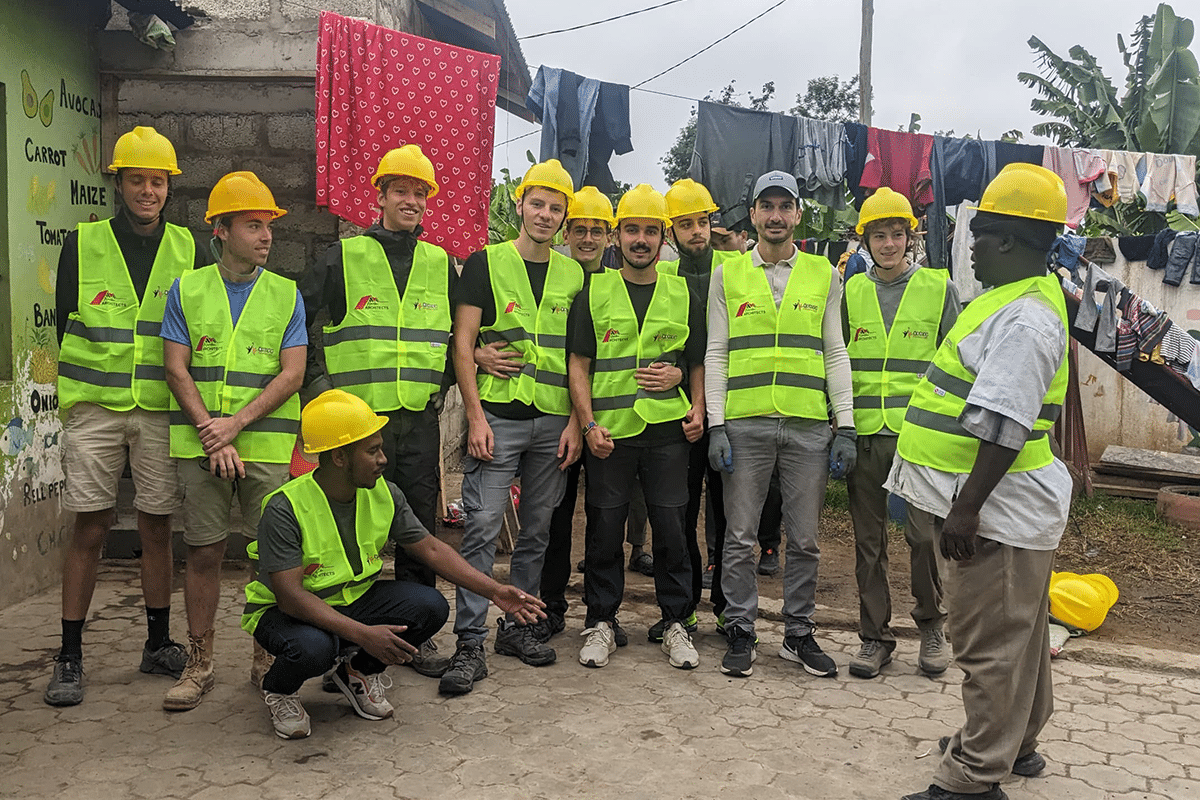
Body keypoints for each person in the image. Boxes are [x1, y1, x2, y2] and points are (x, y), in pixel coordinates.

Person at [893, 163, 1071, 800]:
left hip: (997, 511)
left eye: (982, 233)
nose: (971, 244)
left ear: (1014, 242)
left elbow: (1004, 425)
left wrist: (966, 512)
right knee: (1017, 636)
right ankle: (1013, 742)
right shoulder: (1013, 301)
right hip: (1006, 507)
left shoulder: (1026, 321)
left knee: (989, 643)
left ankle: (973, 778)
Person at [242, 390, 546, 739]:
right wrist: (363, 635)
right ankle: (279, 690)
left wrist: (494, 591)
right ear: (340, 457)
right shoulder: (285, 508)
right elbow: (290, 598)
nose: (383, 459)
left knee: (430, 607)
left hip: (349, 601)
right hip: (288, 614)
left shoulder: (382, 491)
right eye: (372, 451)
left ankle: (355, 673)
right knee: (315, 650)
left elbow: (430, 549)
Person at [46, 126, 208, 707]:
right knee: (90, 526)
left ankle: (158, 643)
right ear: (118, 182)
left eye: (157, 181)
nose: (147, 190)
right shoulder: (82, 243)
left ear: (169, 188)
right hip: (95, 408)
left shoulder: (190, 248)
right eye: (136, 179)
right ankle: (69, 656)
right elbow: (66, 319)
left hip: (163, 412)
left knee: (157, 525)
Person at [301, 145, 455, 679]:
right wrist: (319, 391)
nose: (410, 200)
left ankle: (417, 637)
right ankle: (339, 627)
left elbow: (457, 339)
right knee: (344, 527)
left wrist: (447, 381)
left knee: (417, 527)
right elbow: (299, 327)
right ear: (381, 195)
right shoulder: (341, 257)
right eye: (401, 191)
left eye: (419, 192)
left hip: (416, 420)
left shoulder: (440, 263)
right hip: (353, 427)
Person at [160, 172, 305, 711]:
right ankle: (199, 663)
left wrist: (234, 425)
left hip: (262, 447)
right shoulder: (187, 289)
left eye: (268, 225)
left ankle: (266, 656)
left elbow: (292, 374)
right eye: (253, 225)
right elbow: (176, 369)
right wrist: (211, 432)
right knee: (203, 552)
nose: (266, 236)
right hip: (202, 447)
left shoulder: (286, 294)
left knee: (268, 556)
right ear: (219, 230)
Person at [705, 171, 856, 679]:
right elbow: (717, 351)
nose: (775, 216)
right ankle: (741, 628)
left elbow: (835, 351)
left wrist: (847, 425)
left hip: (808, 426)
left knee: (806, 538)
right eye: (765, 206)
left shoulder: (825, 275)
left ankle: (798, 632)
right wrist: (716, 424)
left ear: (797, 214)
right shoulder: (726, 275)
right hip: (744, 425)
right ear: (753, 214)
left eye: (784, 207)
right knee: (741, 536)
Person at [443, 159, 583, 694]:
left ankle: (518, 628)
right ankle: (469, 641)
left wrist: (574, 420)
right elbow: (463, 343)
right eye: (538, 203)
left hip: (552, 422)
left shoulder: (575, 274)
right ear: (520, 205)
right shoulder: (486, 262)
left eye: (555, 207)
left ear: (564, 217)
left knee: (538, 533)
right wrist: (474, 415)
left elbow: (577, 357)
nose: (545, 214)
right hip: (497, 418)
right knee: (480, 529)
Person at [567, 184, 705, 669]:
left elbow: (697, 360)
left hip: (668, 433)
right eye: (631, 230)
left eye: (650, 230)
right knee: (604, 529)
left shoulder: (681, 290)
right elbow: (579, 364)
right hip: (611, 435)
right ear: (617, 237)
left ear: (662, 237)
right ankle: (601, 621)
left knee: (671, 530)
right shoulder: (595, 290)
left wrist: (696, 407)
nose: (640, 239)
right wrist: (587, 426)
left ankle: (675, 622)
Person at [841, 187, 960, 679]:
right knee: (868, 542)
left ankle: (933, 627)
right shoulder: (848, 291)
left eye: (897, 234)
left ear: (912, 238)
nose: (888, 244)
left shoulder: (939, 287)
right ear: (864, 240)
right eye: (878, 235)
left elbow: (958, 367)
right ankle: (875, 637)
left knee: (922, 538)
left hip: (920, 439)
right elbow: (838, 361)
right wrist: (841, 428)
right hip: (865, 435)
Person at [657, 179, 784, 636]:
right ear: (670, 231)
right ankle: (683, 608)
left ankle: (731, 610)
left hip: (735, 410)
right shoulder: (662, 277)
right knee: (681, 512)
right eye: (685, 224)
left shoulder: (737, 267)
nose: (696, 231)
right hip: (684, 415)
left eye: (703, 222)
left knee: (734, 518)